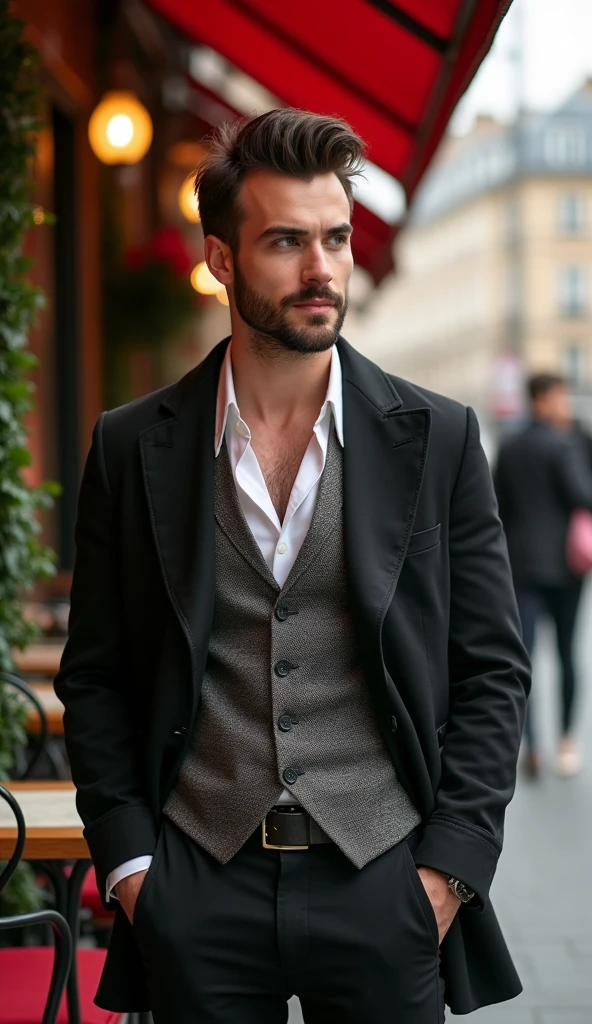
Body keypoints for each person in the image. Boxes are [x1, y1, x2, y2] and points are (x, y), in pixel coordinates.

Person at [55, 109, 530, 1023]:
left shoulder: (439, 438)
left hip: (387, 882)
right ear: (222, 259)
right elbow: (98, 674)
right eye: (286, 242)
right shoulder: (129, 447)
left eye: (336, 239)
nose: (322, 270)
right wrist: (131, 870)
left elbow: (494, 670)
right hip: (198, 883)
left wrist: (448, 871)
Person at [495, 372, 592, 779]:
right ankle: (566, 741)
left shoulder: (510, 445)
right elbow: (582, 495)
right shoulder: (563, 444)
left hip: (520, 566)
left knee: (524, 661)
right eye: (561, 397)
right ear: (544, 400)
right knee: (567, 655)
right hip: (566, 569)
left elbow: (496, 504)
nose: (565, 405)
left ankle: (530, 746)